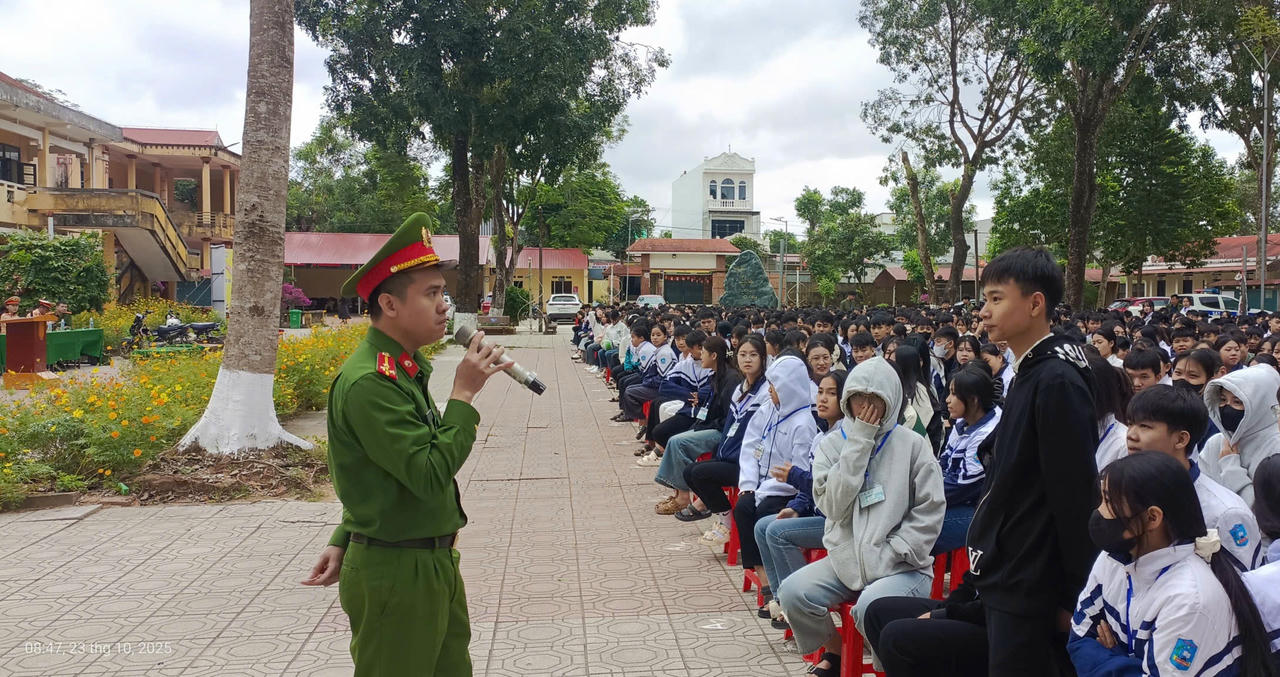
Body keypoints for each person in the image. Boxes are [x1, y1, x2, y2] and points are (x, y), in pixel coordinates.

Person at [301, 213, 509, 676]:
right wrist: (464, 395)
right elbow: (428, 470)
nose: (444, 306)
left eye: (444, 293)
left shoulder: (403, 369)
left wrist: (345, 534)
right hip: (397, 570)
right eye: (431, 294)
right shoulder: (371, 383)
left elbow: (378, 473)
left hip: (427, 562)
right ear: (390, 305)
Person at [969, 247, 1099, 675]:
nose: (984, 312)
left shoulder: (1056, 379)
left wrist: (1075, 595)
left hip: (1030, 575)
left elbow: (1074, 492)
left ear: (1035, 303)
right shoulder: (1030, 368)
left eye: (995, 298)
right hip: (1010, 565)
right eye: (985, 300)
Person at [778, 357, 945, 676]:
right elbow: (833, 506)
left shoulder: (912, 444)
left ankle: (888, 667)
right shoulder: (831, 446)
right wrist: (858, 445)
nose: (865, 407)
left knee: (871, 608)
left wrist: (898, 549)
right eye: (859, 398)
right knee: (793, 593)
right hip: (846, 560)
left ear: (891, 400)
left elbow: (931, 506)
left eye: (874, 400)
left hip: (902, 565)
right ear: (848, 400)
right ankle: (833, 649)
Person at [1067, 452, 1277, 677]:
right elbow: (1078, 639)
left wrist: (1111, 655)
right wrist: (1129, 666)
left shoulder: (1190, 599)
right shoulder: (1114, 559)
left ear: (1152, 518)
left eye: (1109, 502)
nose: (1100, 511)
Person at [1124, 385, 1264, 570]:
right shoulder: (1124, 491)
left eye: (1144, 426)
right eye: (1130, 423)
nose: (1131, 435)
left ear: (1181, 439)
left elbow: (1244, 586)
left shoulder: (1223, 512)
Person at [757, 369, 846, 630]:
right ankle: (780, 597)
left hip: (835, 521)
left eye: (832, 393)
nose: (823, 399)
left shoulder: (845, 439)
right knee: (763, 526)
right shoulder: (822, 435)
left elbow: (831, 488)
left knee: (777, 533)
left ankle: (798, 604)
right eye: (820, 392)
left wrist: (795, 476)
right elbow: (811, 490)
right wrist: (796, 508)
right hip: (816, 512)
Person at [733, 354, 818, 617]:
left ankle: (779, 589)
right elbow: (749, 447)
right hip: (759, 484)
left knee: (763, 513)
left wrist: (765, 489)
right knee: (742, 507)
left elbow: (798, 474)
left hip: (785, 491)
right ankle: (766, 581)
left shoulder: (803, 423)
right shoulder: (768, 409)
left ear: (789, 387)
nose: (769, 390)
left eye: (775, 386)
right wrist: (748, 484)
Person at [934, 363, 1000, 554]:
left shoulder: (988, 432)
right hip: (958, 501)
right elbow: (944, 462)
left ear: (973, 400)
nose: (947, 400)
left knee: (915, 530)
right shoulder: (962, 423)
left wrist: (922, 497)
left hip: (982, 512)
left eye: (954, 394)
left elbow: (963, 487)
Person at [1201, 364, 1280, 506]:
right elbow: (1202, 495)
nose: (1226, 407)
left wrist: (1230, 467)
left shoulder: (1276, 450)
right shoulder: (1216, 442)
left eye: (1237, 402)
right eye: (1223, 400)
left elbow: (1263, 514)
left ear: (1260, 405)